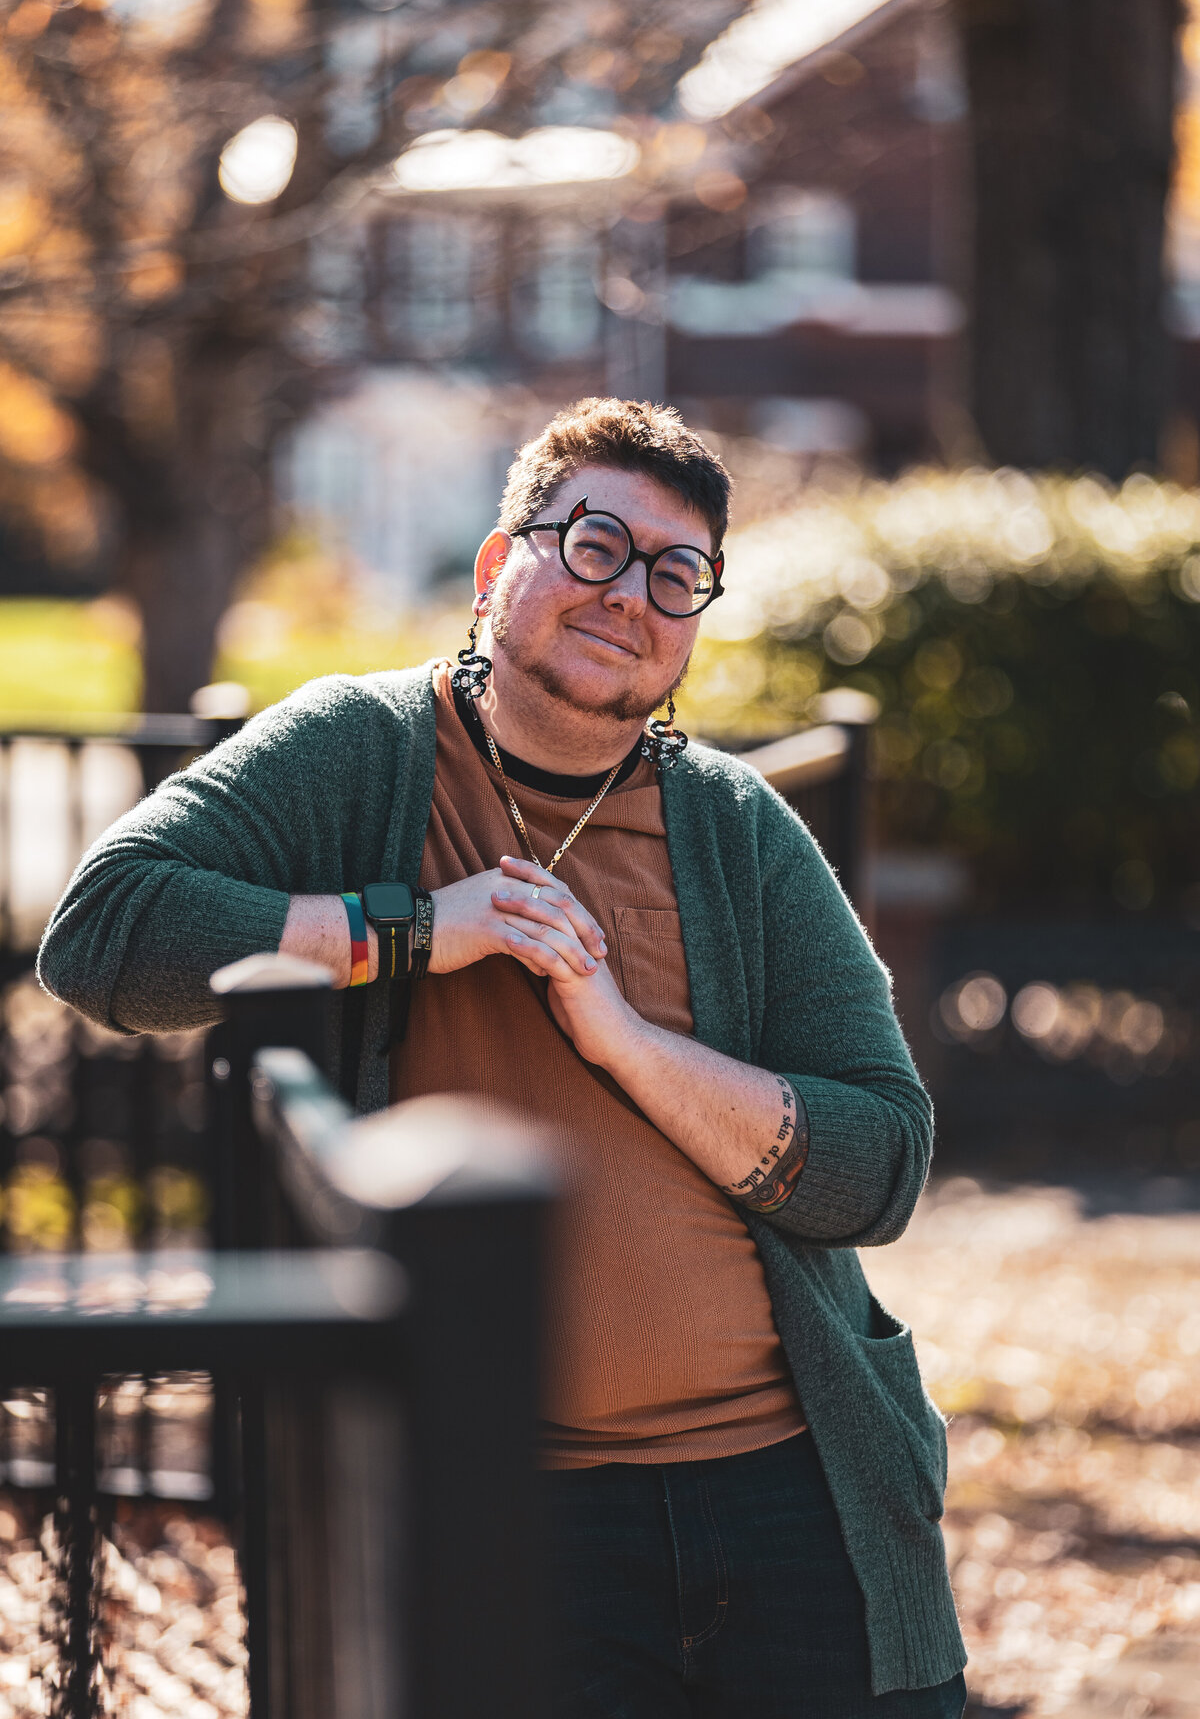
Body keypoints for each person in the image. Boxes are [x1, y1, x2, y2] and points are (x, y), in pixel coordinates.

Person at [39, 398, 966, 1718]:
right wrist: (410, 931)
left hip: (791, 1496)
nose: (629, 593)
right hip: (506, 1510)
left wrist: (627, 1044)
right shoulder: (362, 752)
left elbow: (880, 1163)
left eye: (677, 573)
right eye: (595, 543)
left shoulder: (736, 827)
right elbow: (104, 932)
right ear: (495, 567)